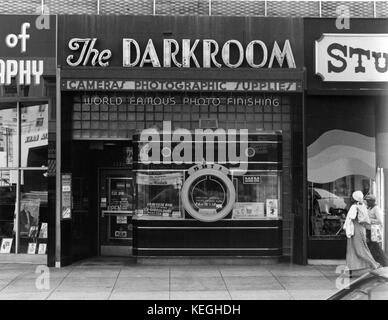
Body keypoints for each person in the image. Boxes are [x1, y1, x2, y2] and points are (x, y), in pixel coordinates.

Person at [343, 191, 380, 277]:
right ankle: (351, 268)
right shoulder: (363, 206)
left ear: (354, 198)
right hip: (360, 229)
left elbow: (351, 217)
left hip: (354, 230)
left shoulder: (354, 206)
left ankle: (375, 265)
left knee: (357, 250)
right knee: (358, 249)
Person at [365, 194, 388, 267]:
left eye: (368, 201)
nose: (367, 202)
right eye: (367, 201)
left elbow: (380, 221)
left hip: (374, 231)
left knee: (376, 248)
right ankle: (377, 264)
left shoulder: (376, 209)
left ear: (373, 201)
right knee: (372, 248)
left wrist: (369, 220)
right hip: (369, 231)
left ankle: (385, 264)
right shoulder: (369, 208)